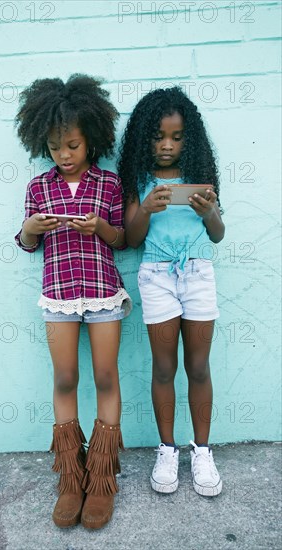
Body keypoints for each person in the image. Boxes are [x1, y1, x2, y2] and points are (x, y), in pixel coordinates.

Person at [14, 74, 131, 529]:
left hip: (102, 290)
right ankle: (71, 478)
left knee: (105, 374)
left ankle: (101, 481)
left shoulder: (108, 183)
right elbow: (24, 242)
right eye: (56, 146)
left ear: (92, 140)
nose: (64, 155)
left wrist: (98, 227)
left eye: (73, 145)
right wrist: (33, 229)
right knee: (65, 376)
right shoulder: (39, 188)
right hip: (59, 294)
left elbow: (121, 239)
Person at [118, 86, 225, 497]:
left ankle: (202, 450)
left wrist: (208, 211)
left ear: (189, 139)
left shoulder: (201, 176)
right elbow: (130, 236)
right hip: (157, 277)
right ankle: (167, 449)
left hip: (198, 275)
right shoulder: (138, 179)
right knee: (164, 368)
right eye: (159, 136)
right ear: (145, 136)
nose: (167, 145)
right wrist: (145, 207)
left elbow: (217, 234)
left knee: (198, 367)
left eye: (177, 137)